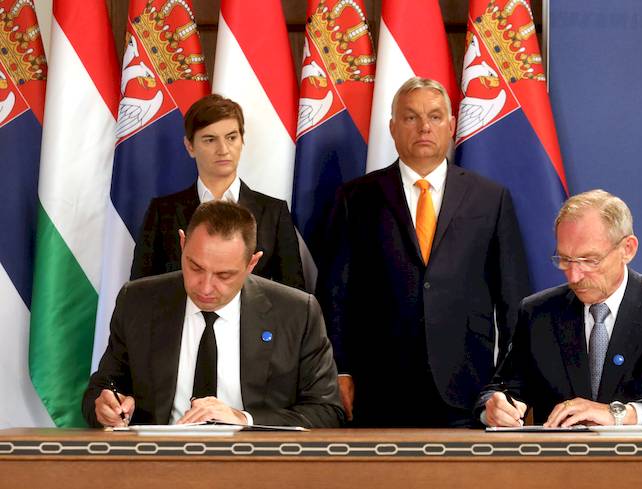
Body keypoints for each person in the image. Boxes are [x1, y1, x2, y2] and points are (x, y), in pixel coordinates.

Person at [315, 77, 530, 427]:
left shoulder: (490, 198)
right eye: (411, 117)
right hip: (378, 387)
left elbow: (512, 300)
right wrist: (340, 370)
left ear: (451, 125)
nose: (424, 127)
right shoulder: (356, 198)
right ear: (393, 127)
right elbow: (334, 295)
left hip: (468, 389)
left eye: (435, 116)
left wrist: (507, 386)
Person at [481, 189, 642, 428]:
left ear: (627, 249)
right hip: (562, 456)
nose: (574, 276)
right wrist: (493, 409)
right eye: (565, 260)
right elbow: (500, 391)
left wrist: (621, 414)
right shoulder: (538, 313)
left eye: (589, 260)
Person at [83, 200, 342, 428]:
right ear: (183, 244)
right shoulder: (138, 301)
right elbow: (102, 388)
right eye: (195, 267)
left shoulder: (297, 313)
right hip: (160, 460)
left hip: (254, 461)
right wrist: (107, 407)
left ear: (252, 263)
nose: (205, 287)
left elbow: (327, 410)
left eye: (224, 275)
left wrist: (243, 419)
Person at [130, 94, 305, 291]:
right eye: (210, 140)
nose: (223, 149)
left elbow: (294, 295)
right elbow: (140, 291)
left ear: (242, 140)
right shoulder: (162, 212)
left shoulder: (274, 212)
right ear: (190, 146)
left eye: (231, 137)